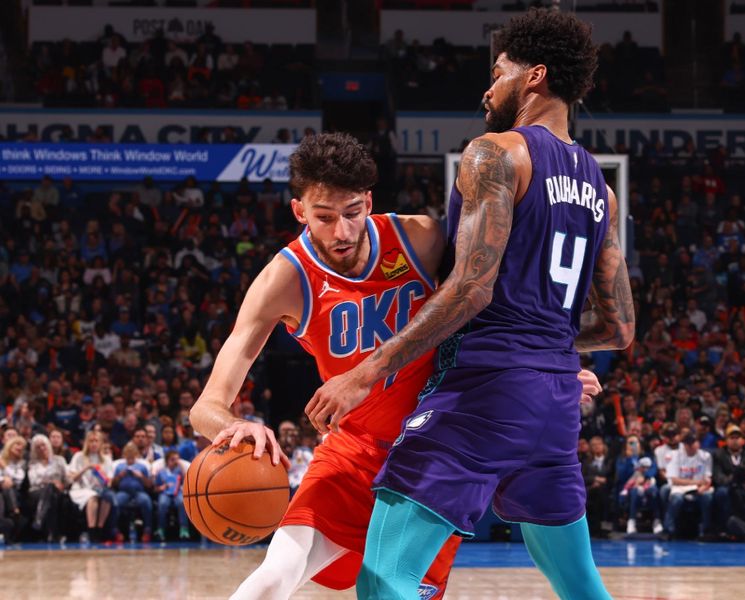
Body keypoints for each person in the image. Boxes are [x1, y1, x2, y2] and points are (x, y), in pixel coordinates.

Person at [190, 132, 608, 598]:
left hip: (436, 448)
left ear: (369, 201)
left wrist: (543, 363)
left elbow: (493, 303)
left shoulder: (420, 239)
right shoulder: (283, 280)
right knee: (276, 571)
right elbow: (205, 405)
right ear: (299, 211)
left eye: (352, 213)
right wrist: (231, 425)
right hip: (354, 452)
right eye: (324, 217)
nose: (342, 232)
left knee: (396, 589)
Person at [306, 11, 633, 599]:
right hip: (554, 406)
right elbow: (620, 328)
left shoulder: (496, 153)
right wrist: (548, 351)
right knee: (582, 588)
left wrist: (368, 371)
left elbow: (471, 288)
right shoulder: (602, 190)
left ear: (534, 77)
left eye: (498, 73)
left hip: (484, 394)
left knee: (385, 579)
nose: (487, 89)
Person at [67, 430, 116, 543]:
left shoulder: (106, 459)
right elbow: (72, 478)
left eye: (96, 441)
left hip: (99, 488)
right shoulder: (78, 456)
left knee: (107, 498)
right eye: (91, 441)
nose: (94, 444)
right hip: (80, 489)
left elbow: (109, 480)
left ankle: (100, 528)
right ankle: (91, 529)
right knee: (92, 496)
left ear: (101, 443)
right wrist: (86, 468)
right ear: (87, 443)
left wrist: (102, 475)